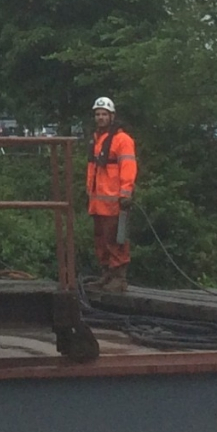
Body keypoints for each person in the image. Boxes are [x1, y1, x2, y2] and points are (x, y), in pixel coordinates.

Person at [85, 96, 136, 291]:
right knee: (101, 239)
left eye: (104, 114)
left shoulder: (122, 140)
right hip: (98, 202)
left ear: (112, 116)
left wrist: (126, 193)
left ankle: (119, 277)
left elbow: (128, 167)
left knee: (116, 239)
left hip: (115, 201)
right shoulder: (97, 140)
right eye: (97, 114)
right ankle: (106, 273)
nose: (100, 118)